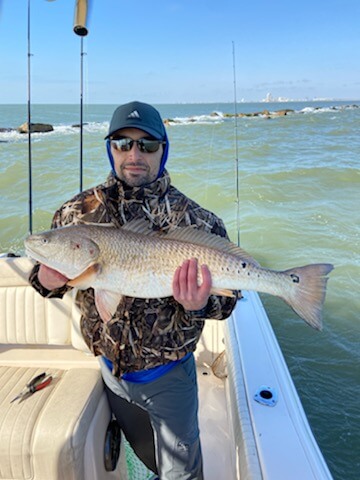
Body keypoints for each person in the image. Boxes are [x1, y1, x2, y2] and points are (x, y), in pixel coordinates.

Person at [29, 101, 237, 479]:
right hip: (109, 370)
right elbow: (43, 280)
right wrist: (46, 280)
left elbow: (228, 303)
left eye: (147, 144)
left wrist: (200, 304)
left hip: (169, 377)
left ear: (164, 148)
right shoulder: (75, 215)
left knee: (181, 471)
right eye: (122, 143)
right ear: (109, 147)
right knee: (140, 454)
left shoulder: (199, 222)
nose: (134, 154)